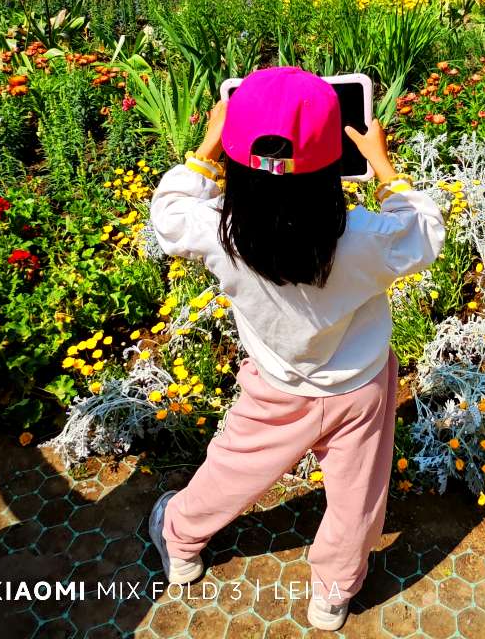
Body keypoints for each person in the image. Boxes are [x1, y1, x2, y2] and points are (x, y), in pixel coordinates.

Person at [147, 69, 443, 632]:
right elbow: (424, 231)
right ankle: (333, 594)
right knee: (357, 495)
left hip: (276, 385)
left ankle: (181, 543)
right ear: (334, 163)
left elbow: (168, 217)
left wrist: (206, 153)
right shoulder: (363, 238)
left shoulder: (217, 230)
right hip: (360, 388)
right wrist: (385, 170)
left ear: (234, 156)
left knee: (234, 467)